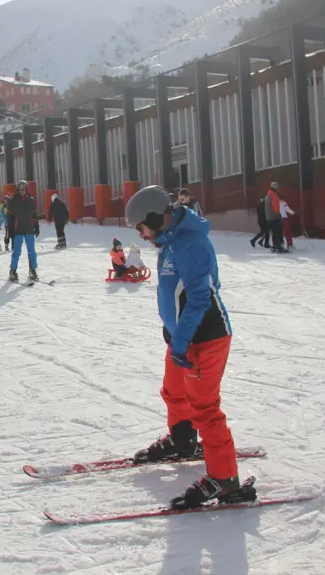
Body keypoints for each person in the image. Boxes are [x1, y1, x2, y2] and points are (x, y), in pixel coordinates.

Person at [125, 185, 239, 509]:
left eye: (142, 227)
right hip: (182, 337)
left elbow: (200, 298)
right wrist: (172, 332)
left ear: (155, 218)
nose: (142, 235)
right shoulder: (171, 240)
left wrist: (182, 340)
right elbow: (174, 293)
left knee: (205, 408)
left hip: (205, 338)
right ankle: (182, 439)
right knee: (174, 390)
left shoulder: (190, 242)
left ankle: (225, 478)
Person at [7, 181, 39, 282]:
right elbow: (10, 218)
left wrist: (36, 226)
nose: (22, 191)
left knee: (32, 251)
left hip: (29, 228)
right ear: (17, 190)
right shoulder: (13, 201)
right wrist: (10, 231)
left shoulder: (30, 200)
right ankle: (13, 271)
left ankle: (32, 270)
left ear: (26, 189)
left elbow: (33, 215)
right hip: (18, 230)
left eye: (23, 189)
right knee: (17, 252)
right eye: (20, 189)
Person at [266, 182, 288, 253]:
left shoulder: (268, 196)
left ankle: (275, 247)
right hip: (274, 217)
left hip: (269, 218)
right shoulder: (274, 196)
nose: (278, 189)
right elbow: (275, 208)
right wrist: (278, 216)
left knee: (275, 233)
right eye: (278, 188)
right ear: (276, 188)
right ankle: (279, 247)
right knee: (278, 232)